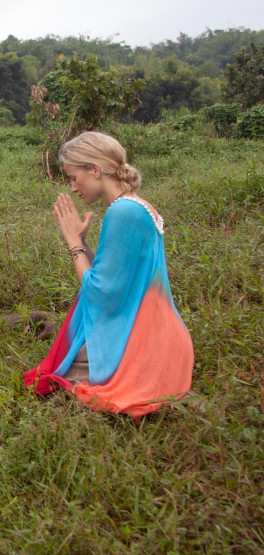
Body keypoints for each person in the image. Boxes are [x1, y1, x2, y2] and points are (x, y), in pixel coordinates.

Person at [24, 131, 194, 419]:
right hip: (162, 336)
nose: (73, 188)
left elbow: (99, 293)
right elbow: (109, 275)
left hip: (144, 341)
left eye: (73, 177)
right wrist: (84, 242)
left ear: (95, 169)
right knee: (64, 361)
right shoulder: (133, 206)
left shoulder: (122, 213)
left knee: (57, 373)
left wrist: (73, 242)